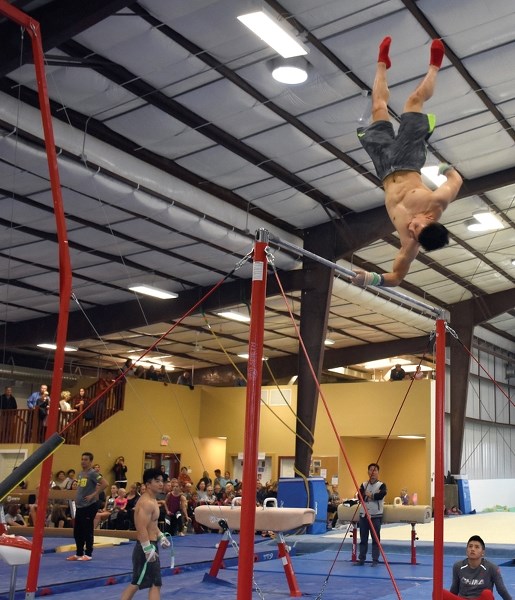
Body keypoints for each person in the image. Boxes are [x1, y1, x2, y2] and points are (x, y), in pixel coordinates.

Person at [353, 37, 463, 288]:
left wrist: (371, 279)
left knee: (378, 107)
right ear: (430, 220)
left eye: (413, 232)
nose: (410, 228)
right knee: (413, 102)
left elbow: (397, 277)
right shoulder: (436, 201)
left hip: (384, 168)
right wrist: (447, 170)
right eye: (417, 227)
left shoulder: (410, 242)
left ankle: (382, 64)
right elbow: (456, 180)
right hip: (407, 160)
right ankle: (435, 66)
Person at [121, 468, 170, 600]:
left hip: (150, 545)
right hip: (146, 548)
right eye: (157, 481)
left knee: (142, 582)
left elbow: (152, 525)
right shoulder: (146, 503)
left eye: (162, 481)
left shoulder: (153, 500)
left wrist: (161, 536)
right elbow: (141, 528)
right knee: (151, 583)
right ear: (148, 484)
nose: (161, 484)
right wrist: (147, 549)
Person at [66, 452, 108, 561]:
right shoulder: (80, 473)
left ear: (90, 461)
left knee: (87, 530)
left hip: (89, 506)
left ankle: (88, 553)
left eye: (85, 460)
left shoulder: (92, 473)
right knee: (77, 531)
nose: (83, 461)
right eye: (82, 459)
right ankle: (79, 553)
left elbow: (105, 483)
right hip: (80, 506)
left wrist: (94, 495)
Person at [443, 535, 512, 600]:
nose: (472, 549)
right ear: (466, 551)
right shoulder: (458, 566)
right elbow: (454, 590)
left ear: (483, 552)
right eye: (470, 546)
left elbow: (502, 590)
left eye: (476, 547)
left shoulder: (492, 568)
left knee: (487, 593)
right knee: (439, 592)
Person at [355, 463, 387, 566]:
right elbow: (360, 497)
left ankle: (375, 559)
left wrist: (371, 495)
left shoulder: (381, 485)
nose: (373, 472)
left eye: (375, 470)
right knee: (363, 538)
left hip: (375, 516)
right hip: (364, 514)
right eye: (371, 470)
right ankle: (361, 559)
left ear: (378, 472)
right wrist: (370, 496)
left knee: (375, 539)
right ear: (368, 472)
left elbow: (381, 495)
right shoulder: (364, 484)